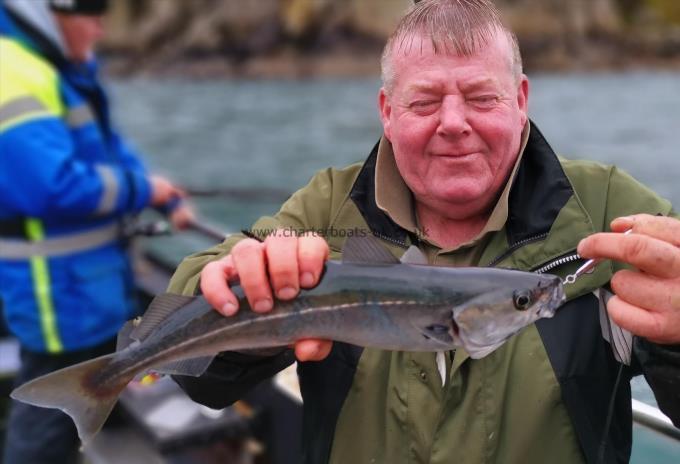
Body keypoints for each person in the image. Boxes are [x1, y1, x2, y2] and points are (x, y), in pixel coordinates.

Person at [169, 1, 680, 462]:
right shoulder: (325, 207)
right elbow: (201, 364)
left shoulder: (614, 211)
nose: (453, 122)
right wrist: (238, 293)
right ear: (388, 113)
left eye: (481, 98)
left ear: (520, 100)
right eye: (425, 102)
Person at [0, 0, 194, 462]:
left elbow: (112, 151)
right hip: (58, 296)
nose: (102, 28)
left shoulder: (62, 69)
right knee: (45, 424)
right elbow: (50, 187)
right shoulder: (12, 68)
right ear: (52, 11)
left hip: (91, 286)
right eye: (94, 12)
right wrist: (144, 187)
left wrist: (157, 191)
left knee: (71, 412)